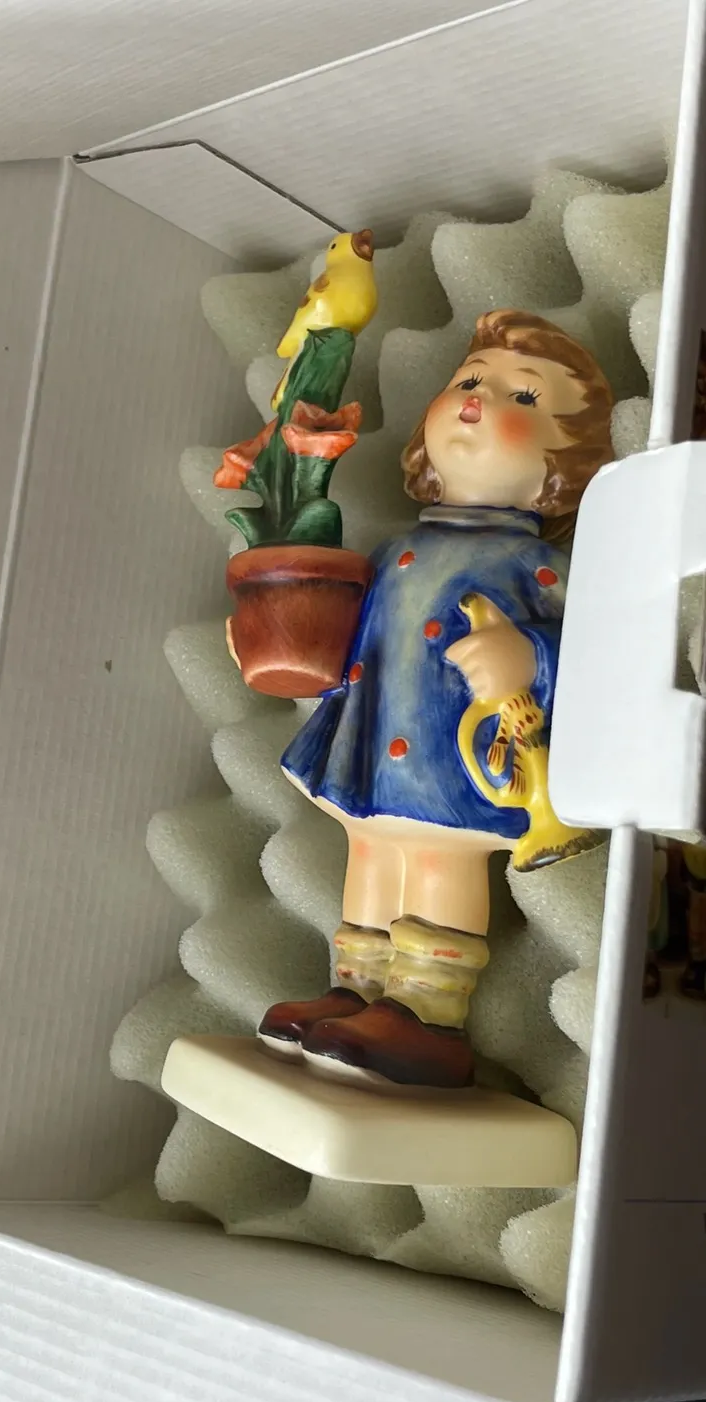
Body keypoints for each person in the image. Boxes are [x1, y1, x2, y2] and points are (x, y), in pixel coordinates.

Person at [257, 310, 614, 1087]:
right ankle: (355, 988)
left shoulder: (538, 567)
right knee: (369, 849)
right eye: (469, 380)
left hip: (454, 755)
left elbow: (594, 655)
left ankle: (426, 1011)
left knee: (434, 857)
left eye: (524, 398)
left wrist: (527, 655)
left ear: (559, 470)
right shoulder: (396, 549)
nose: (479, 399)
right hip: (370, 737)